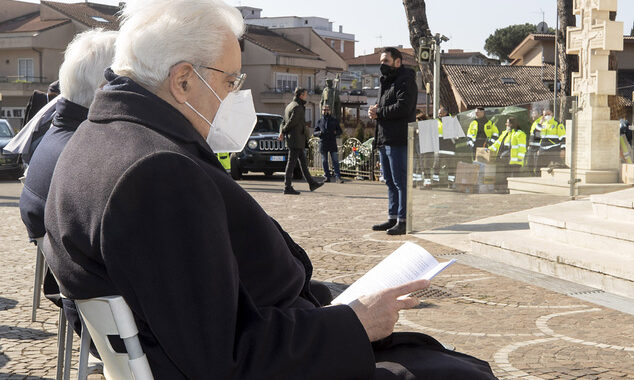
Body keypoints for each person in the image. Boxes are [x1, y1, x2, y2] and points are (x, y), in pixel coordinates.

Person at [41, 2, 496, 378]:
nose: (239, 93)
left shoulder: (98, 139)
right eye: (230, 80)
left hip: (276, 332)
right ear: (182, 81)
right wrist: (352, 323)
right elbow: (225, 358)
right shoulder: (156, 171)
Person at [19, 28, 118, 356]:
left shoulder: (54, 137)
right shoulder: (89, 155)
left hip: (81, 305)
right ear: (108, 85)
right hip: (114, 331)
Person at [369, 47, 418, 236]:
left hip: (399, 139)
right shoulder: (385, 82)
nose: (382, 65)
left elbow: (403, 108)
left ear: (397, 62)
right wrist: (374, 111)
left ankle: (404, 220)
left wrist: (379, 112)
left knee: (400, 181)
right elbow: (384, 107)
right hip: (384, 138)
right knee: (389, 181)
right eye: (381, 61)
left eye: (386, 61)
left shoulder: (406, 81)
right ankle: (392, 217)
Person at [280, 87, 324, 194]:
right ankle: (287, 187)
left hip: (296, 140)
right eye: (305, 95)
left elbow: (282, 121)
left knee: (303, 163)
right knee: (291, 164)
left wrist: (282, 131)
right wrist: (284, 131)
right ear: (300, 95)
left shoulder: (289, 106)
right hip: (296, 140)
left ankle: (311, 183)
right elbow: (291, 122)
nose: (306, 96)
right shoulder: (298, 107)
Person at [488, 117, 527, 186]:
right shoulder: (505, 133)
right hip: (506, 159)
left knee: (514, 178)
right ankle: (505, 189)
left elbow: (522, 147)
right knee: (506, 176)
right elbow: (498, 143)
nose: (506, 124)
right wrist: (489, 149)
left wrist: (520, 158)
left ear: (511, 124)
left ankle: (514, 190)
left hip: (515, 161)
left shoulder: (520, 134)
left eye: (507, 123)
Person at [528, 108, 566, 175]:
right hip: (543, 149)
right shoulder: (543, 124)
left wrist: (563, 149)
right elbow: (536, 135)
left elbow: (562, 137)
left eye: (548, 114)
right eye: (544, 114)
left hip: (553, 149)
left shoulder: (557, 124)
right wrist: (540, 123)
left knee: (557, 168)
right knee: (538, 169)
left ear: (552, 114)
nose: (546, 116)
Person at [314, 104, 344, 183]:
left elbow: (340, 131)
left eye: (327, 110)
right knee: (324, 161)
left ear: (330, 111)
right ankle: (327, 176)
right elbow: (314, 132)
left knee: (335, 160)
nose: (325, 111)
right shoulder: (320, 121)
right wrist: (319, 133)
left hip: (332, 142)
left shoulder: (334, 120)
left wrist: (335, 132)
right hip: (323, 143)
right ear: (322, 111)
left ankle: (338, 177)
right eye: (324, 110)